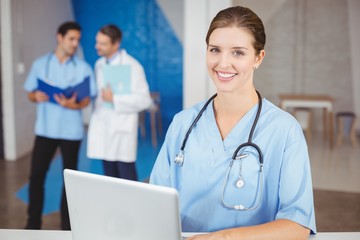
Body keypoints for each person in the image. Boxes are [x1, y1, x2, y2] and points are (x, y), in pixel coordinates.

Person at [150, 6, 316, 240]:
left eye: (238, 53)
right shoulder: (183, 123)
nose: (223, 63)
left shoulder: (284, 130)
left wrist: (223, 238)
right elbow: (154, 205)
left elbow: (297, 226)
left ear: (258, 58)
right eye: (215, 50)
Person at [23, 21, 96, 230]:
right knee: (36, 176)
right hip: (45, 130)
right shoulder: (40, 64)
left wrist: (75, 104)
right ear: (60, 37)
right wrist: (35, 95)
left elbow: (86, 99)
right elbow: (29, 92)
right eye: (71, 39)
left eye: (77, 40)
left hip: (71, 132)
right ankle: (33, 222)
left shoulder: (83, 68)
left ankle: (66, 224)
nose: (75, 44)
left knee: (69, 179)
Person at [87, 24, 152, 180]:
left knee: (127, 178)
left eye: (103, 43)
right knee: (110, 178)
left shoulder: (133, 66)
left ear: (116, 44)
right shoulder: (99, 64)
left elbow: (144, 100)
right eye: (97, 42)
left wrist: (114, 99)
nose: (97, 47)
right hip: (103, 128)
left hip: (122, 130)